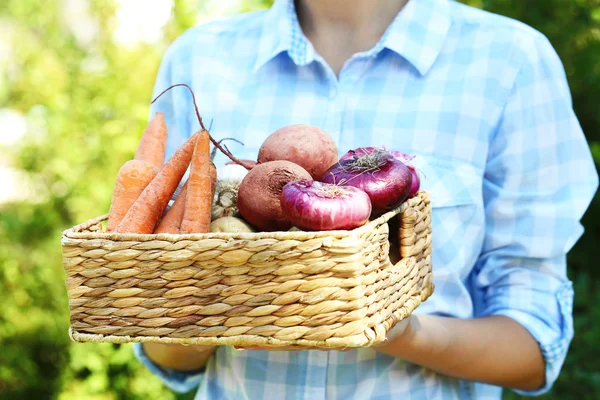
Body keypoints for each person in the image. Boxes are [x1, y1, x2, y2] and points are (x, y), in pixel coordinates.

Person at [133, 0, 599, 398]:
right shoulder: (199, 57)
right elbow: (163, 352)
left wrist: (401, 331)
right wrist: (216, 312)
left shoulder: (510, 60)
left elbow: (535, 347)